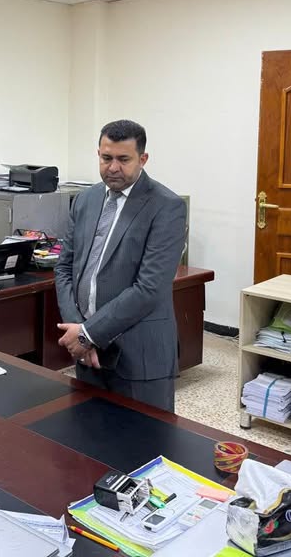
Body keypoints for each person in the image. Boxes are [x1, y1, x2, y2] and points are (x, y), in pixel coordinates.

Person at [55, 119, 187, 412]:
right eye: (106, 158)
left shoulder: (166, 207)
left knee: (144, 435)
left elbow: (149, 288)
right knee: (89, 431)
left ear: (143, 159)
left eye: (123, 159)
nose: (113, 167)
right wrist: (77, 330)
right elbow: (64, 268)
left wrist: (87, 334)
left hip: (139, 353)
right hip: (88, 351)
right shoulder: (85, 200)